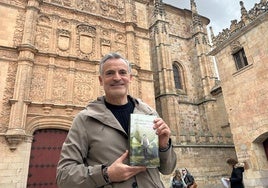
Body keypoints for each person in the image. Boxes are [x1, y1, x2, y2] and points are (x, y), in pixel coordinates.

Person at [56, 52, 177, 188]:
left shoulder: (149, 114)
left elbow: (168, 169)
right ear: (101, 80)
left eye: (122, 72)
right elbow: (63, 176)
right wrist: (106, 174)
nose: (117, 77)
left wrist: (164, 146)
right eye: (110, 73)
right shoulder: (85, 120)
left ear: (130, 78)